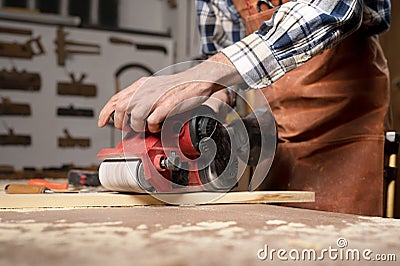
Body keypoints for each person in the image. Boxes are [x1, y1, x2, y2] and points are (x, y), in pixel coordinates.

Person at [98, 0, 391, 216]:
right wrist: (204, 108)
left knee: (341, 250)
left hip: (346, 133)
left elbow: (330, 9)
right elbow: (225, 74)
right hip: (277, 139)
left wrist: (198, 75)